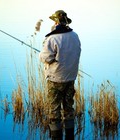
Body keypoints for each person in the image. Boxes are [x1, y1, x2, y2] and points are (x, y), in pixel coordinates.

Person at [39, 10, 81, 140]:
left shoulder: (52, 38)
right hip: (70, 77)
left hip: (55, 79)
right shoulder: (75, 36)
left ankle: (56, 137)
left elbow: (46, 57)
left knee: (54, 110)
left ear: (56, 22)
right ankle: (69, 136)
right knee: (68, 108)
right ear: (66, 22)